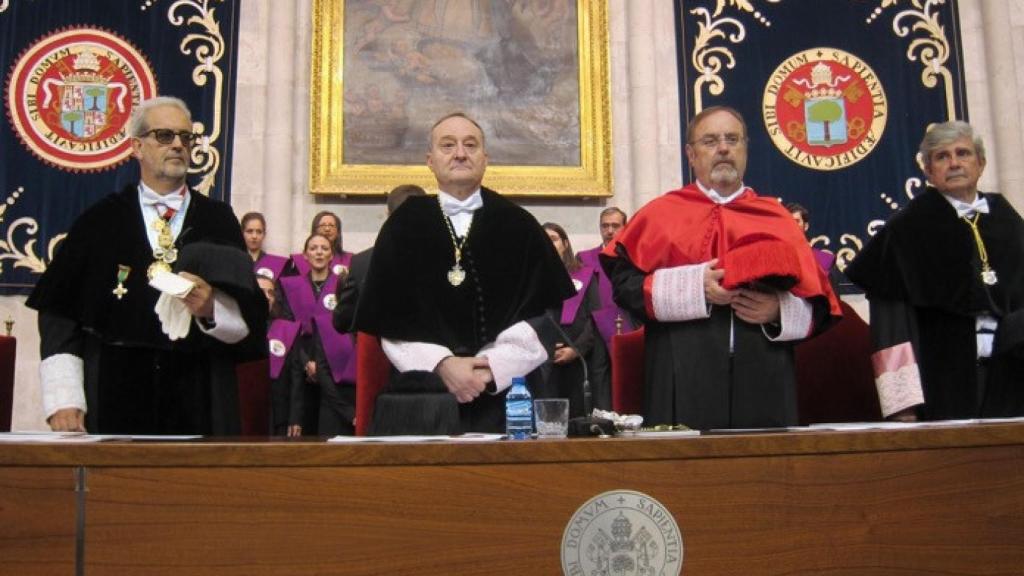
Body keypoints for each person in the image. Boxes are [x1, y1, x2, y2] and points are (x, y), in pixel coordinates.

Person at [26, 96, 266, 435]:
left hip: (200, 389)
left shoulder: (219, 220)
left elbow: (250, 316)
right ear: (137, 147)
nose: (179, 145)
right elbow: (59, 315)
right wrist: (64, 399)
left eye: (186, 137)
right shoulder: (100, 221)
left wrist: (212, 308)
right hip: (113, 386)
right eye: (165, 136)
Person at [601, 106, 841, 430]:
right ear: (691, 154)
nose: (724, 148)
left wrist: (778, 310)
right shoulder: (660, 215)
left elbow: (821, 303)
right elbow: (625, 286)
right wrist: (694, 286)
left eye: (732, 139)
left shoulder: (777, 218)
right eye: (711, 140)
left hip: (763, 375)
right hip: (681, 372)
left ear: (745, 149)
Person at [354, 112, 573, 434]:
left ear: (485, 158)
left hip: (506, 395)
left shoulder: (520, 224)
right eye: (448, 145)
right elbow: (387, 316)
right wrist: (444, 365)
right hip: (421, 396)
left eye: (471, 145)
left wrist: (490, 369)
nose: (460, 153)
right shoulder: (403, 225)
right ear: (430, 160)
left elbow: (545, 314)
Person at [846, 120, 1024, 421]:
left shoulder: (1010, 224)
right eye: (942, 157)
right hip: (941, 384)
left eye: (963, 153)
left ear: (980, 164)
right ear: (928, 171)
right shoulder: (904, 233)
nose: (954, 163)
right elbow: (890, 327)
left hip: (1012, 380)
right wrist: (902, 406)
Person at [276, 234, 357, 436]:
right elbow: (289, 330)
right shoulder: (291, 287)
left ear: (332, 256)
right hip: (301, 368)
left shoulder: (342, 285)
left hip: (335, 368)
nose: (319, 252)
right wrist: (307, 362)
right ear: (305, 255)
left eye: (324, 248)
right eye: (313, 248)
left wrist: (321, 366)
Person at [332, 184, 427, 334]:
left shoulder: (361, 262)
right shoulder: (448, 258)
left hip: (378, 353)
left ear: (388, 214)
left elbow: (341, 322)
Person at [540, 222, 610, 417]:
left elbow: (594, 319)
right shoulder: (533, 277)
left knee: (578, 417)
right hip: (544, 358)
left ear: (565, 244)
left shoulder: (585, 275)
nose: (548, 244)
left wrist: (575, 350)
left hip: (579, 358)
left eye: (553, 239)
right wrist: (546, 347)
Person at [576, 207, 638, 347]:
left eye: (615, 226)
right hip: (592, 329)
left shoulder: (634, 258)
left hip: (626, 324)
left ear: (624, 227)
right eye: (605, 226)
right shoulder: (584, 258)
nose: (610, 231)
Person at [287, 211, 353, 278]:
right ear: (315, 229)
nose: (327, 229)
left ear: (338, 232)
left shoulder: (350, 259)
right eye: (322, 225)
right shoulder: (300, 261)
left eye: (331, 225)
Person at [241, 211, 289, 281]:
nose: (254, 236)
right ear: (242, 233)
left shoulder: (274, 264)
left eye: (259, 232)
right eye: (249, 231)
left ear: (264, 235)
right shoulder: (234, 261)